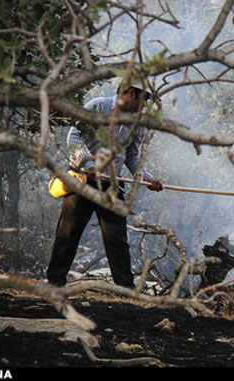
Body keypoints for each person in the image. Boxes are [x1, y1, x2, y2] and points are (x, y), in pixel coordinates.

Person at [47, 84, 163, 288]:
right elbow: (74, 138)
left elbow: (132, 156)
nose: (143, 106)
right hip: (83, 181)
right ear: (131, 93)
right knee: (68, 233)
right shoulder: (98, 107)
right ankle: (55, 283)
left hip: (111, 185)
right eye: (143, 100)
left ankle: (125, 289)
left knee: (117, 239)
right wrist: (89, 165)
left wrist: (147, 178)